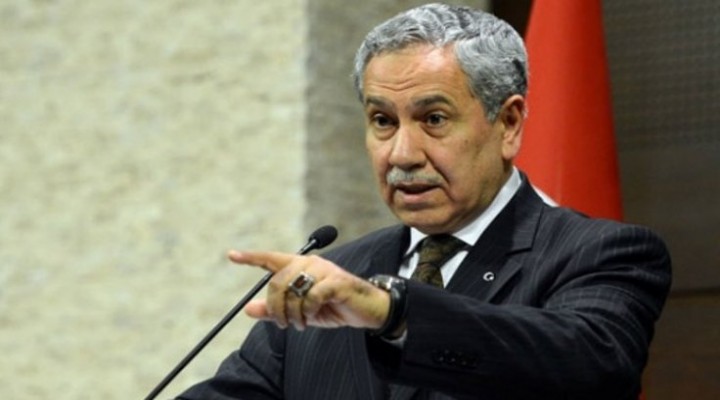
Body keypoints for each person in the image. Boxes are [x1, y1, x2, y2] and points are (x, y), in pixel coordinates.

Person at [177, 3, 671, 399]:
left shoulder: (600, 254)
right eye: (383, 121)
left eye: (434, 119)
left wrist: (390, 311)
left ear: (508, 124)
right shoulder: (332, 277)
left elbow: (591, 368)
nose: (402, 154)